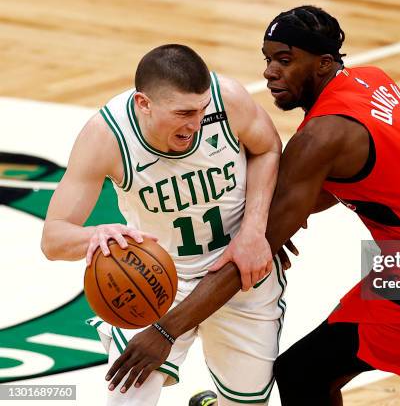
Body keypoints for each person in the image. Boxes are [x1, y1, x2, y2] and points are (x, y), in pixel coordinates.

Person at [103, 6, 400, 406]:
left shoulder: (321, 137)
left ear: (324, 63)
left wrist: (165, 332)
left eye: (285, 60)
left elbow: (248, 256)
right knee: (312, 370)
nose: (269, 72)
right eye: (267, 59)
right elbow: (360, 177)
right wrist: (285, 221)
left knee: (303, 373)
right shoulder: (370, 80)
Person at [41, 44, 286, 405]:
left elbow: (267, 148)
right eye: (184, 113)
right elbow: (53, 238)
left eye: (202, 110)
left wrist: (254, 228)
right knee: (126, 398)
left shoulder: (227, 98)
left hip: (237, 274)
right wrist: (96, 234)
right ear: (144, 104)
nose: (197, 123)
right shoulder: (106, 136)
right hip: (156, 280)